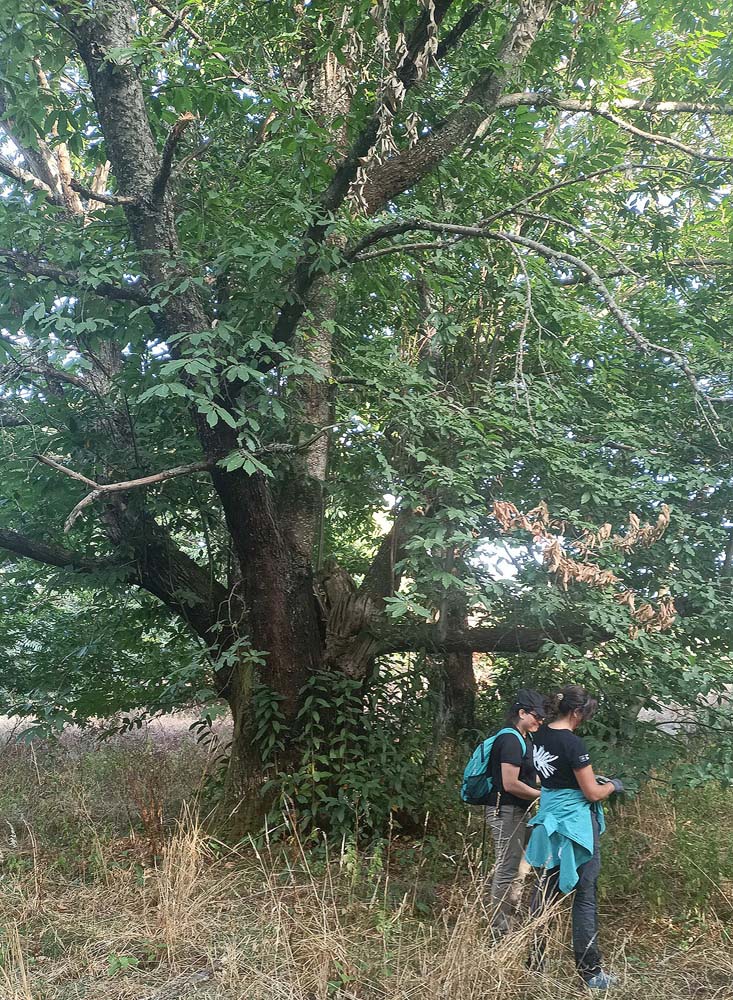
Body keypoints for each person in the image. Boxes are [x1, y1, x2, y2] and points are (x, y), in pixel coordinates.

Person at [525, 685, 624, 991]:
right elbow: (592, 793)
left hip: (549, 819)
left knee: (544, 891)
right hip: (574, 826)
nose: (585, 720)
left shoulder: (538, 735)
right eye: (586, 714)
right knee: (584, 895)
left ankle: (534, 961)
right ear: (577, 712)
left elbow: (548, 777)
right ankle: (591, 972)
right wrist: (613, 786)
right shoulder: (572, 743)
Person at [485, 688, 545, 937]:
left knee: (520, 870)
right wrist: (543, 796)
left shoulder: (524, 740)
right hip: (505, 811)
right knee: (507, 870)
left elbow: (530, 777)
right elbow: (510, 783)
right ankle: (499, 932)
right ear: (522, 713)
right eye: (537, 717)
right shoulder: (509, 739)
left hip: (518, 811)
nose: (540, 722)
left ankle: (509, 922)